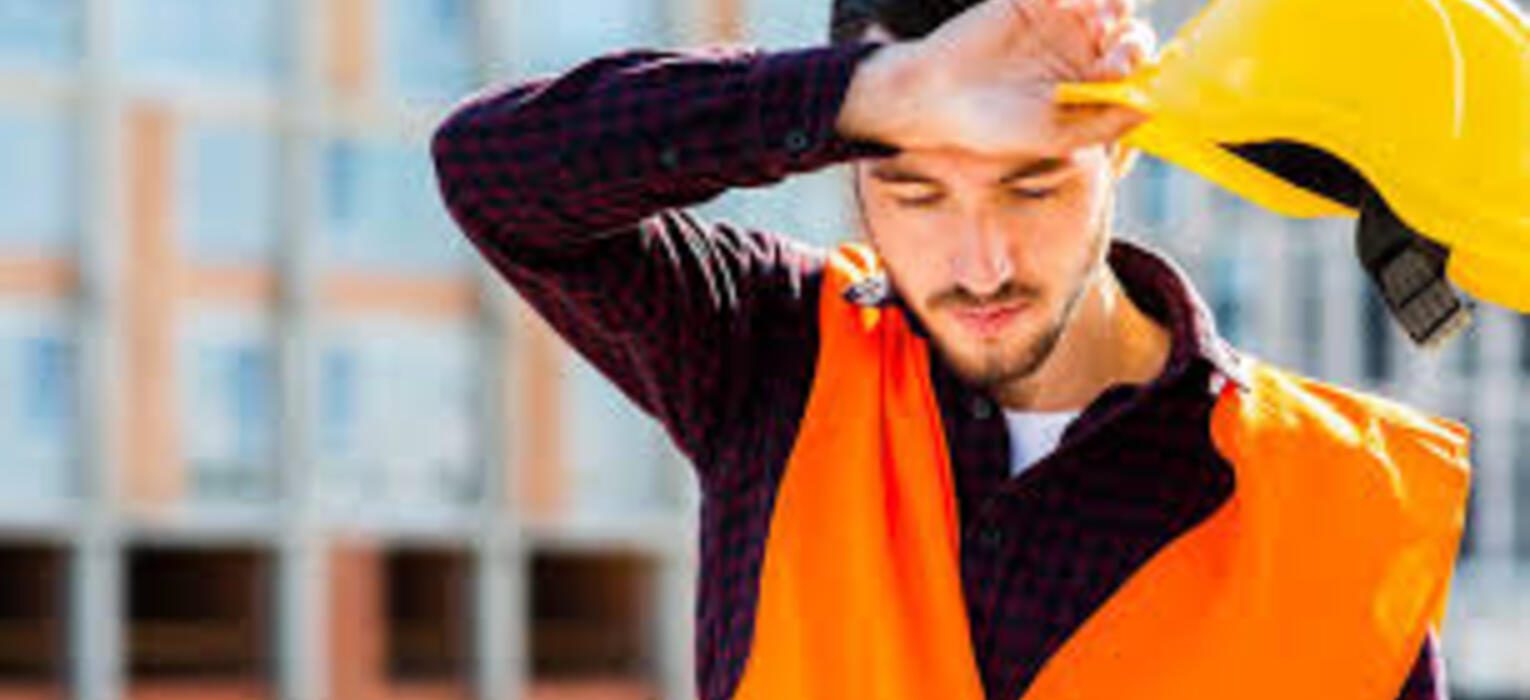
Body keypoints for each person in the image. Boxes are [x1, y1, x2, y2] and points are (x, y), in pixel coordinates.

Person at [431, 0, 1469, 697]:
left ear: (1124, 141)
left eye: (1032, 183)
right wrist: (878, 91)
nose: (978, 265)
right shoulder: (771, 352)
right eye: (912, 186)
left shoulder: (1338, 505)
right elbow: (495, 172)